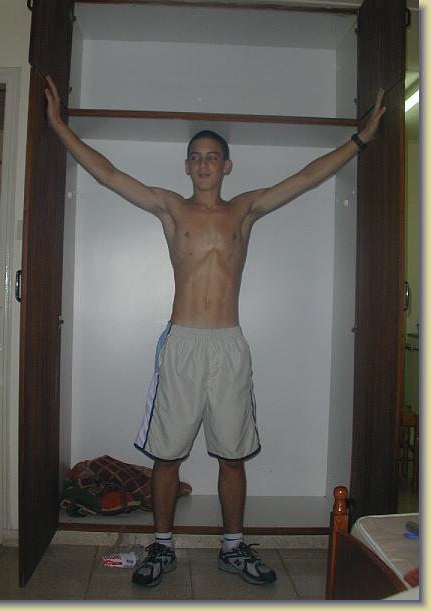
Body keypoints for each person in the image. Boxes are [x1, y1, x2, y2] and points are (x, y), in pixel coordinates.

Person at [45, 75, 386, 587]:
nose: (203, 163)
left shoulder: (243, 210)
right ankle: (162, 546)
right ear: (187, 166)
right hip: (182, 343)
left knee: (232, 455)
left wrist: (360, 139)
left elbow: (306, 177)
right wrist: (57, 125)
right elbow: (109, 173)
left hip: (228, 344)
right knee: (167, 456)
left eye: (212, 157)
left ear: (227, 165)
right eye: (195, 157)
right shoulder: (171, 207)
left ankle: (232, 546)